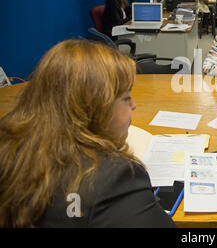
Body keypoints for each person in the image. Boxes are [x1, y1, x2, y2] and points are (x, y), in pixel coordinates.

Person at [0, 40, 175, 228]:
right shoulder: (115, 180)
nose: (133, 105)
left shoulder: (7, 144)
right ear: (97, 108)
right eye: (126, 98)